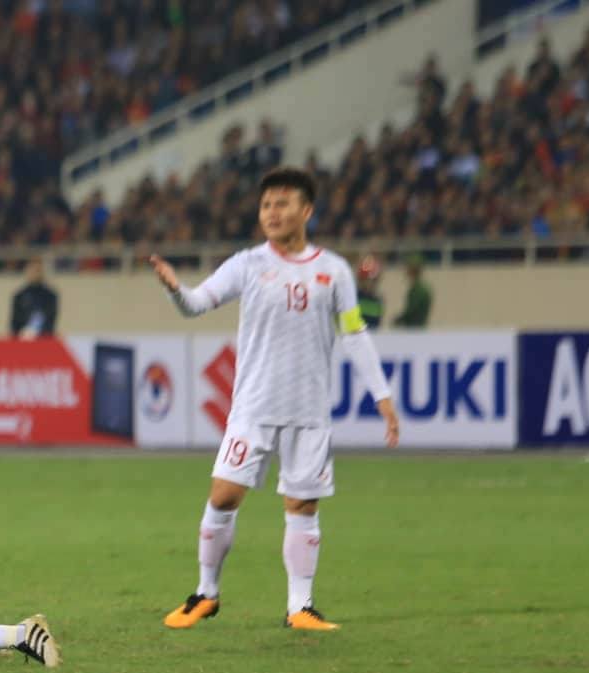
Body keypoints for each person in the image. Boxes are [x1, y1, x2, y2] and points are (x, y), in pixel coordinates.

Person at [149, 166, 399, 633]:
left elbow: (354, 334)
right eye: (266, 205)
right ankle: (206, 593)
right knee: (223, 496)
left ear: (306, 210)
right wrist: (174, 289)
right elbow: (197, 303)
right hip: (253, 408)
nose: (272, 212)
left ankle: (299, 607)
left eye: (283, 204)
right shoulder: (248, 264)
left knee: (302, 506)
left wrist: (382, 396)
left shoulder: (333, 270)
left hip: (308, 411)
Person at [8, 259, 58, 337]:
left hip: (43, 339)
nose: (35, 273)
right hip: (22, 339)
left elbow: (50, 319)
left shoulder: (50, 296)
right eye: (32, 270)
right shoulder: (19, 295)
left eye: (37, 270)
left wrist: (37, 332)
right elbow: (15, 321)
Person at [394, 257, 432, 328]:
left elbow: (411, 310)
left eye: (408, 270)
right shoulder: (421, 289)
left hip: (415, 327)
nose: (405, 273)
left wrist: (399, 319)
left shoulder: (419, 290)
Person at [356, 254, 386, 330]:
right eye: (366, 280)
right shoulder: (353, 298)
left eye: (373, 281)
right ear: (361, 280)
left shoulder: (378, 301)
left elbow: (377, 324)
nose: (370, 284)